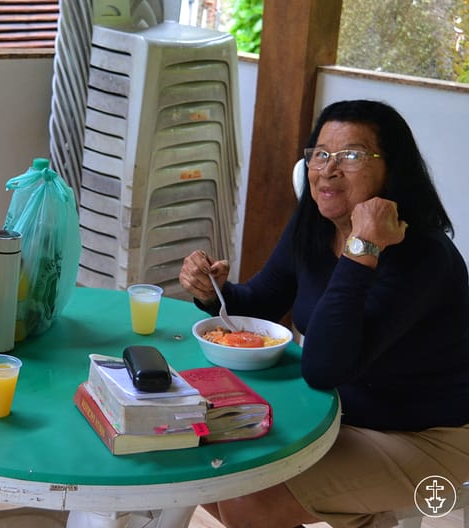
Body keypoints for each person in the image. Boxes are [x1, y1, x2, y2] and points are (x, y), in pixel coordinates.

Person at [179, 99, 469, 528]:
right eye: (320, 153)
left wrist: (362, 247)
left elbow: (326, 367)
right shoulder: (314, 224)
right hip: (337, 415)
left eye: (352, 155)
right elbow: (260, 300)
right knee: (217, 470)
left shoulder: (423, 256)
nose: (328, 169)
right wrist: (212, 292)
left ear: (393, 168)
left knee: (248, 502)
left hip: (429, 438)